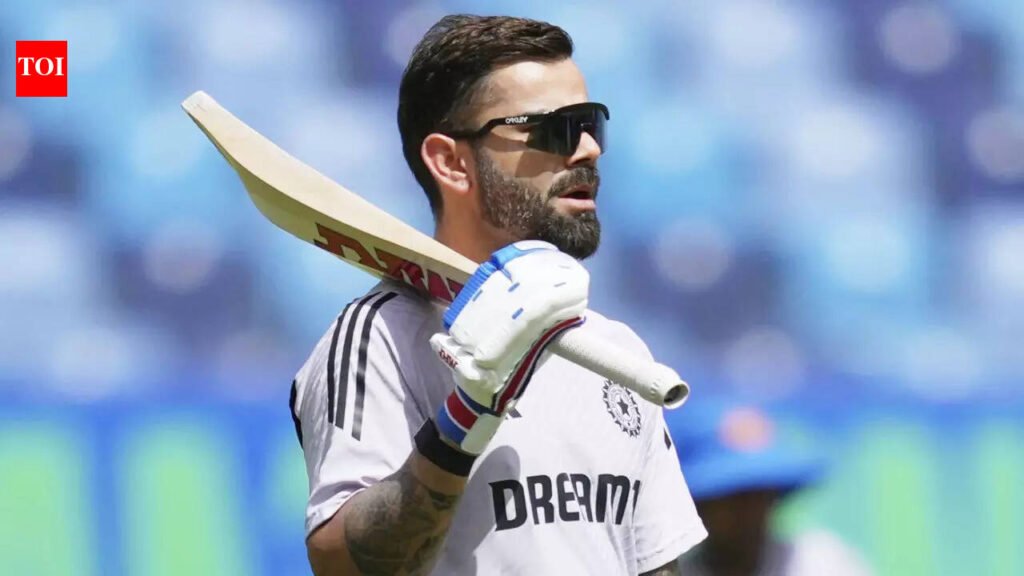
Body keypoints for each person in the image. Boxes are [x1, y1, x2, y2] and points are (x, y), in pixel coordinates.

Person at [288, 14, 707, 576]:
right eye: (553, 129)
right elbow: (341, 562)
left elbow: (656, 566)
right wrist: (466, 415)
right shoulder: (381, 337)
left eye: (590, 124)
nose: (587, 149)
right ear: (450, 162)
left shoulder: (617, 349)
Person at [665, 396, 874, 576]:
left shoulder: (822, 565)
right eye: (734, 498)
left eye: (760, 495)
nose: (749, 513)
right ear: (696, 504)